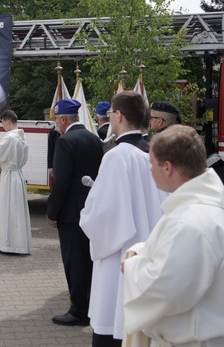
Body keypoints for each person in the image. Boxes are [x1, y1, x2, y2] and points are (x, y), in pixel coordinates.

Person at [122, 125, 224, 347]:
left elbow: (166, 289)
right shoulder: (207, 203)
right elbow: (186, 260)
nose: (149, 170)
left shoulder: (190, 221)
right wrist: (146, 250)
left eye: (151, 164)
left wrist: (132, 264)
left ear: (167, 168)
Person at [79, 92, 165, 345]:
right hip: (150, 251)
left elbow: (103, 213)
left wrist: (86, 213)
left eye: (111, 115)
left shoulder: (117, 156)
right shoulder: (157, 154)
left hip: (122, 254)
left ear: (118, 115)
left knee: (115, 319)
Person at [47, 98, 103, 327]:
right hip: (91, 207)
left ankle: (79, 310)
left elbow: (61, 182)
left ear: (63, 119)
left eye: (57, 120)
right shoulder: (93, 138)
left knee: (74, 261)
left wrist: (52, 211)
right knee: (88, 261)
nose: (57, 125)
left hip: (71, 212)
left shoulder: (65, 141)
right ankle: (91, 305)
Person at [0, 109, 31, 255]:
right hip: (16, 174)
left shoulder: (10, 138)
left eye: (3, 124)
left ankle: (10, 245)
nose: (3, 127)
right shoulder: (21, 137)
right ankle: (19, 244)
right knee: (16, 211)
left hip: (10, 177)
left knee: (9, 210)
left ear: (8, 121)